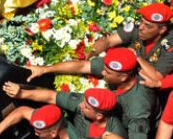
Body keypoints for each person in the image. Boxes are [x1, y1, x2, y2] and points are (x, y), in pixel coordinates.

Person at [24, 47, 154, 139]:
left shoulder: (138, 107)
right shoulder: (113, 68)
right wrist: (45, 69)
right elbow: (82, 66)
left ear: (123, 77)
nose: (103, 73)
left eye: (107, 73)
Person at [89, 3, 173, 79]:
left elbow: (156, 76)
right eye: (142, 21)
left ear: (162, 30)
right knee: (86, 65)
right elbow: (108, 42)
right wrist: (88, 53)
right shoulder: (138, 26)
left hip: (142, 83)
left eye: (147, 25)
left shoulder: (172, 45)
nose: (141, 27)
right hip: (122, 70)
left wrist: (137, 57)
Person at [0, 83, 126, 138]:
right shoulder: (85, 104)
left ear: (99, 116)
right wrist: (21, 93)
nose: (80, 105)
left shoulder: (115, 132)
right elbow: (51, 96)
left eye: (86, 107)